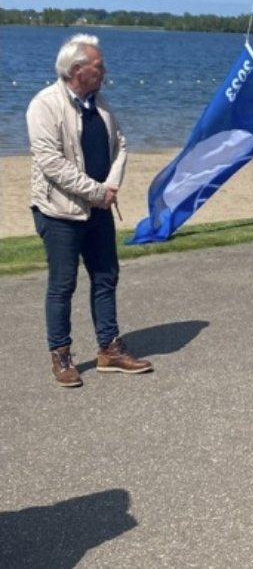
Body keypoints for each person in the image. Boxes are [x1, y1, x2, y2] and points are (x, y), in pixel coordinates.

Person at [26, 34, 153, 388]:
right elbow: (52, 164)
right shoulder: (44, 105)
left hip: (99, 209)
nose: (104, 71)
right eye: (98, 66)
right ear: (76, 69)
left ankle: (109, 349)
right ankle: (62, 354)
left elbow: (121, 145)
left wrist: (110, 186)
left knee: (106, 276)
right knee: (62, 284)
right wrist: (97, 192)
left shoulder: (101, 104)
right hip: (59, 212)